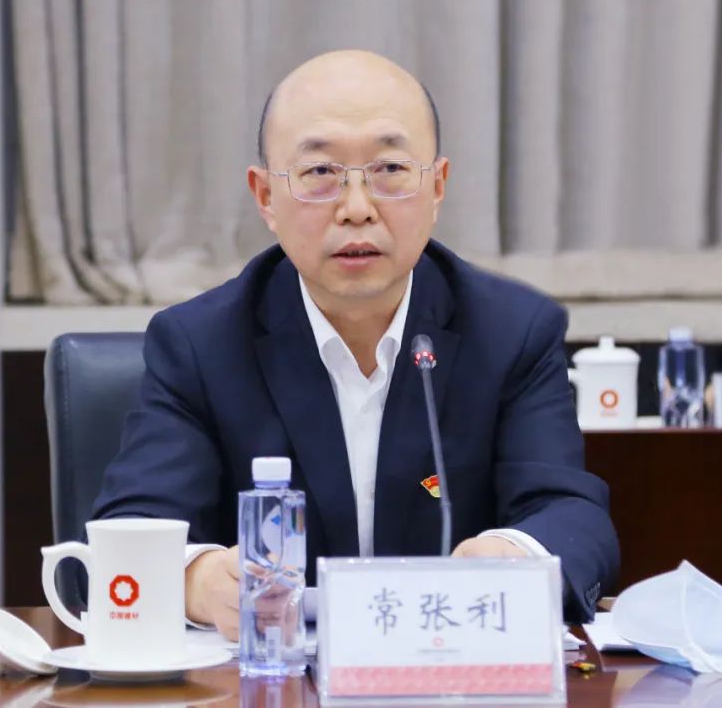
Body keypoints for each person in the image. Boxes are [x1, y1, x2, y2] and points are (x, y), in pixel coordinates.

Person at [91, 50, 619, 638]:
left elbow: (572, 518)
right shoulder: (200, 344)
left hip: (445, 668)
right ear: (265, 197)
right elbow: (131, 528)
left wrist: (511, 555)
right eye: (320, 173)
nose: (357, 209)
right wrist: (199, 580)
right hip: (275, 672)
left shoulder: (512, 332)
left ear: (437, 186)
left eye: (390, 169)